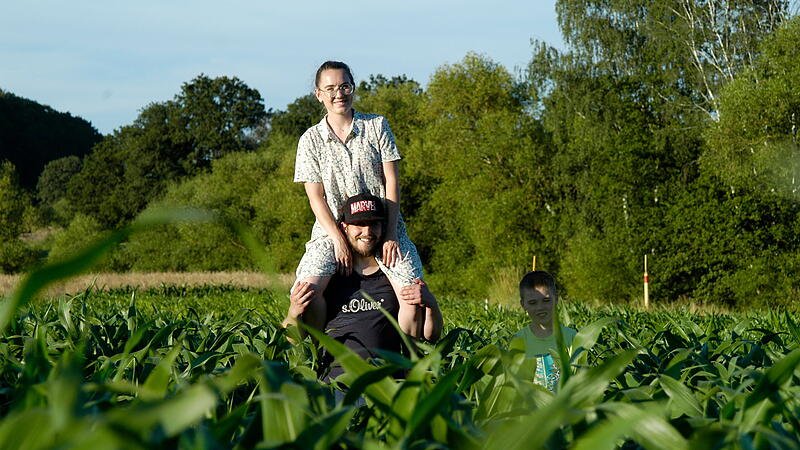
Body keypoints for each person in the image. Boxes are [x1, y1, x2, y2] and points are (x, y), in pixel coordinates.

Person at [292, 60, 424, 332]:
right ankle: (320, 354)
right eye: (330, 88)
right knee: (307, 293)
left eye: (344, 86)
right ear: (319, 94)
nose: (338, 94)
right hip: (332, 230)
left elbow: (392, 181)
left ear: (353, 88)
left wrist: (389, 234)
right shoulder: (309, 140)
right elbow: (316, 198)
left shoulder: (377, 126)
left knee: (413, 295)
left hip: (380, 224)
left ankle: (413, 359)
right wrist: (338, 240)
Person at [282, 193, 442, 382]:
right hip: (337, 385)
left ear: (383, 227)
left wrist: (431, 304)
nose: (367, 232)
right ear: (344, 227)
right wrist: (293, 312)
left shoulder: (396, 276)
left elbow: (431, 336)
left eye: (373, 224)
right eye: (359, 224)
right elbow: (290, 340)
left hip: (388, 383)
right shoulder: (327, 279)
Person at [513, 271, 577, 392]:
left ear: (556, 299)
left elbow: (581, 378)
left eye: (546, 300)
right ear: (523, 304)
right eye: (532, 302)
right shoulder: (519, 340)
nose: (540, 307)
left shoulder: (572, 337)